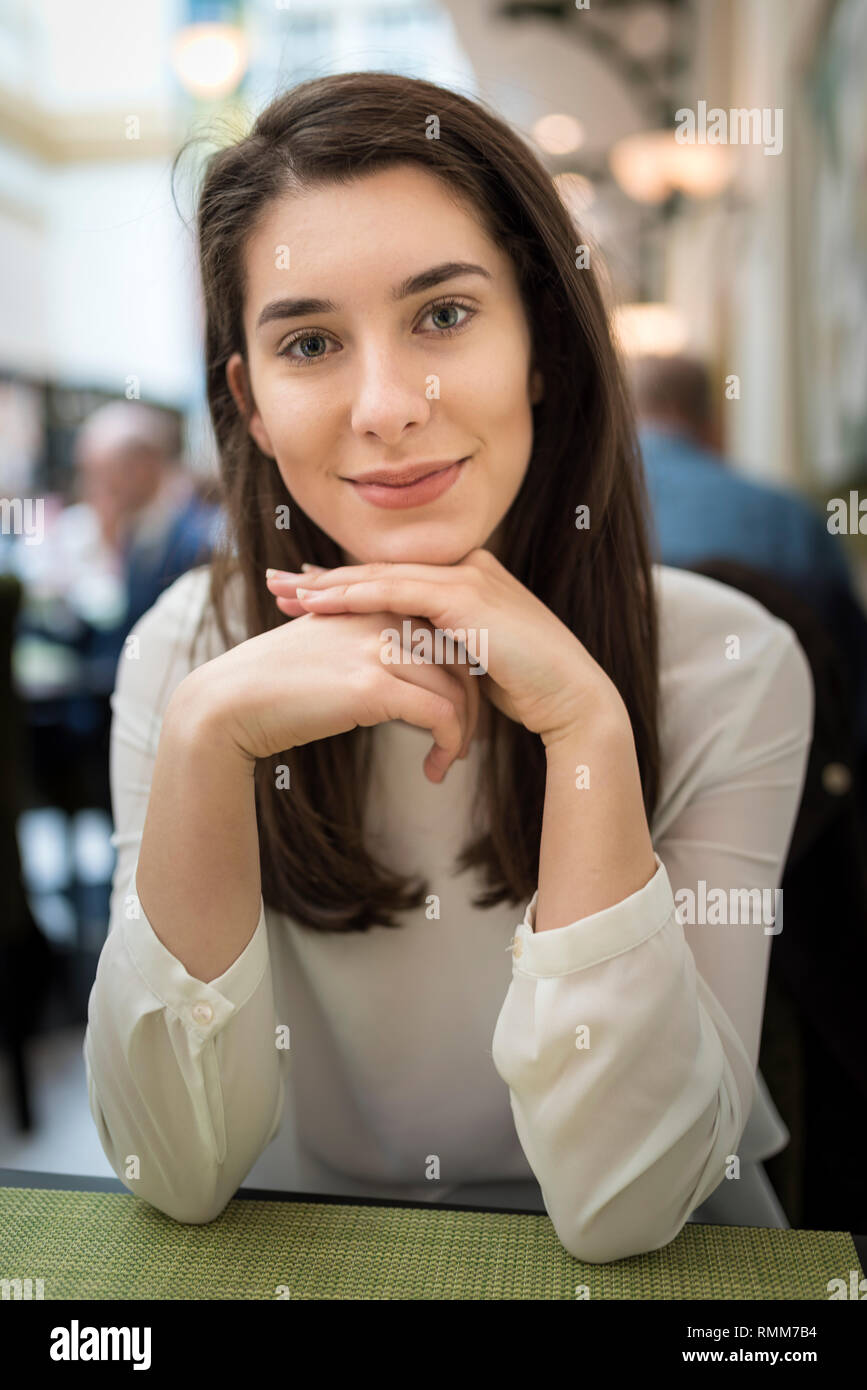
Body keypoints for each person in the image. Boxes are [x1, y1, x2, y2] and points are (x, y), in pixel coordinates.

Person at [83, 73, 812, 1264]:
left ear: (539, 345)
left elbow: (627, 1205)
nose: (385, 406)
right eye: (310, 342)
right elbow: (169, 1169)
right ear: (251, 403)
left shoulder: (725, 665)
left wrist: (586, 725)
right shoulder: (186, 655)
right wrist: (205, 733)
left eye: (443, 316)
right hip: (306, 1258)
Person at [630, 351, 867, 818]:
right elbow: (852, 682)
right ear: (712, 423)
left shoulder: (582, 517)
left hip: (626, 784)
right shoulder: (791, 518)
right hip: (790, 803)